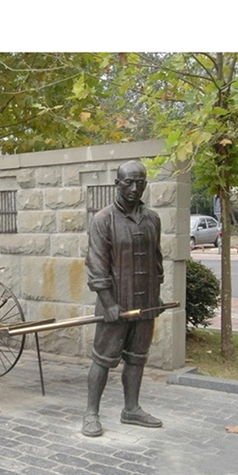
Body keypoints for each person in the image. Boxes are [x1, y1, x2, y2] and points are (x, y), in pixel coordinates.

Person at [82, 160, 164, 437]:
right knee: (103, 359)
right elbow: (96, 264)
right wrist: (108, 303)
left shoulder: (152, 219)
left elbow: (156, 260)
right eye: (128, 182)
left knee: (137, 358)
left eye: (140, 182)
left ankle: (131, 409)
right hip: (114, 304)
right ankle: (91, 413)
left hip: (145, 303)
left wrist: (156, 296)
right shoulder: (103, 220)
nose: (134, 188)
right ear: (117, 184)